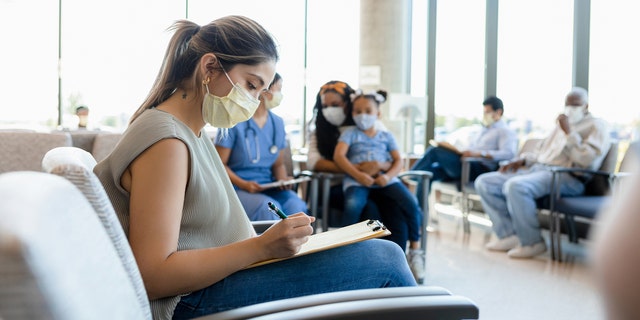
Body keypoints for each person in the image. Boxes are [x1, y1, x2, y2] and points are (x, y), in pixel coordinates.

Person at [93, 16, 416, 319]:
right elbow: (153, 274)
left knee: (380, 254)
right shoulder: (167, 142)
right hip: (190, 299)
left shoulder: (192, 134)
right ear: (210, 68)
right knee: (385, 261)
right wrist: (261, 247)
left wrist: (268, 245)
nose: (253, 101)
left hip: (223, 277)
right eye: (250, 85)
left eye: (261, 91)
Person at [474, 87, 610, 259]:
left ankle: (532, 242)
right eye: (567, 104)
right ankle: (509, 235)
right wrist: (523, 160)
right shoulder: (560, 124)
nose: (570, 108)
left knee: (516, 186)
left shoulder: (596, 125)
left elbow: (587, 161)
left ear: (586, 105)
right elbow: (543, 153)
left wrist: (569, 133)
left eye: (575, 104)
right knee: (485, 182)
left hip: (566, 176)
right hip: (538, 170)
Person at [334, 89, 426, 283]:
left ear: (378, 113)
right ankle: (340, 251)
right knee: (353, 206)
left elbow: (398, 160)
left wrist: (388, 176)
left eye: (368, 110)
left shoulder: (386, 135)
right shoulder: (350, 134)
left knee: (410, 203)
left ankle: (416, 251)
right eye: (357, 111)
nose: (362, 115)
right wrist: (358, 175)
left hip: (385, 179)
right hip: (357, 180)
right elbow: (339, 157)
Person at [306, 80, 410, 251]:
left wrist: (379, 165)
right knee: (370, 209)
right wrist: (356, 169)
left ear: (348, 103)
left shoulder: (366, 122)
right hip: (337, 187)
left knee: (395, 209)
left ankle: (398, 258)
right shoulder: (319, 129)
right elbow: (313, 161)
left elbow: (391, 157)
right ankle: (358, 257)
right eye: (325, 105)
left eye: (335, 104)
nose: (330, 109)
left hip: (372, 183)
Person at [215, 73, 308, 220]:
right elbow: (218, 164)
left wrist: (283, 180)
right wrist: (244, 184)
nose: (280, 95)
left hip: (268, 186)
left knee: (295, 205)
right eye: (279, 89)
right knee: (267, 208)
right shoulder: (233, 121)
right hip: (237, 188)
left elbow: (278, 165)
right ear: (264, 90)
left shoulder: (278, 123)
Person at [410, 96, 518, 205]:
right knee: (426, 175)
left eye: (488, 112)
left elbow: (508, 154)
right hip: (464, 164)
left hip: (478, 168)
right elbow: (471, 147)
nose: (485, 115)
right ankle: (419, 216)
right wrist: (460, 150)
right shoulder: (483, 130)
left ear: (498, 112)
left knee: (435, 151)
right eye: (484, 112)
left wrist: (479, 154)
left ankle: (410, 176)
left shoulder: (505, 131)